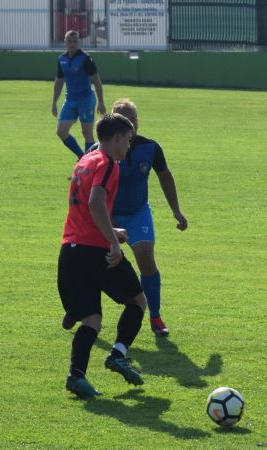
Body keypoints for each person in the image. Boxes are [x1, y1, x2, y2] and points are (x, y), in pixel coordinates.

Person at [57, 113, 148, 399]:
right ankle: (118, 354)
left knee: (92, 319)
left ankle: (76, 376)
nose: (129, 146)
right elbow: (96, 202)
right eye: (128, 140)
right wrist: (113, 242)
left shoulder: (85, 160)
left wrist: (112, 229)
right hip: (96, 251)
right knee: (138, 301)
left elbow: (87, 208)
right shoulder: (108, 164)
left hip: (70, 249)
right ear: (117, 138)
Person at [110, 98, 188, 337]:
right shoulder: (99, 151)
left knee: (146, 260)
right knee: (95, 263)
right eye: (124, 119)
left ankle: (155, 315)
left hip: (138, 213)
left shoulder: (150, 148)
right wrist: (106, 220)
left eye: (133, 119)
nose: (130, 124)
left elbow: (165, 176)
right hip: (107, 214)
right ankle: (78, 308)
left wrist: (176, 210)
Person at [52, 30, 106, 160]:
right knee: (61, 131)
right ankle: (82, 157)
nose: (72, 44)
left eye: (75, 41)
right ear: (65, 42)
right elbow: (59, 81)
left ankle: (90, 162)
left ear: (79, 42)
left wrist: (101, 102)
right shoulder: (62, 59)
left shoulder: (86, 59)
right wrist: (54, 102)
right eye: (69, 41)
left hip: (86, 100)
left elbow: (96, 81)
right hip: (70, 100)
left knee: (87, 133)